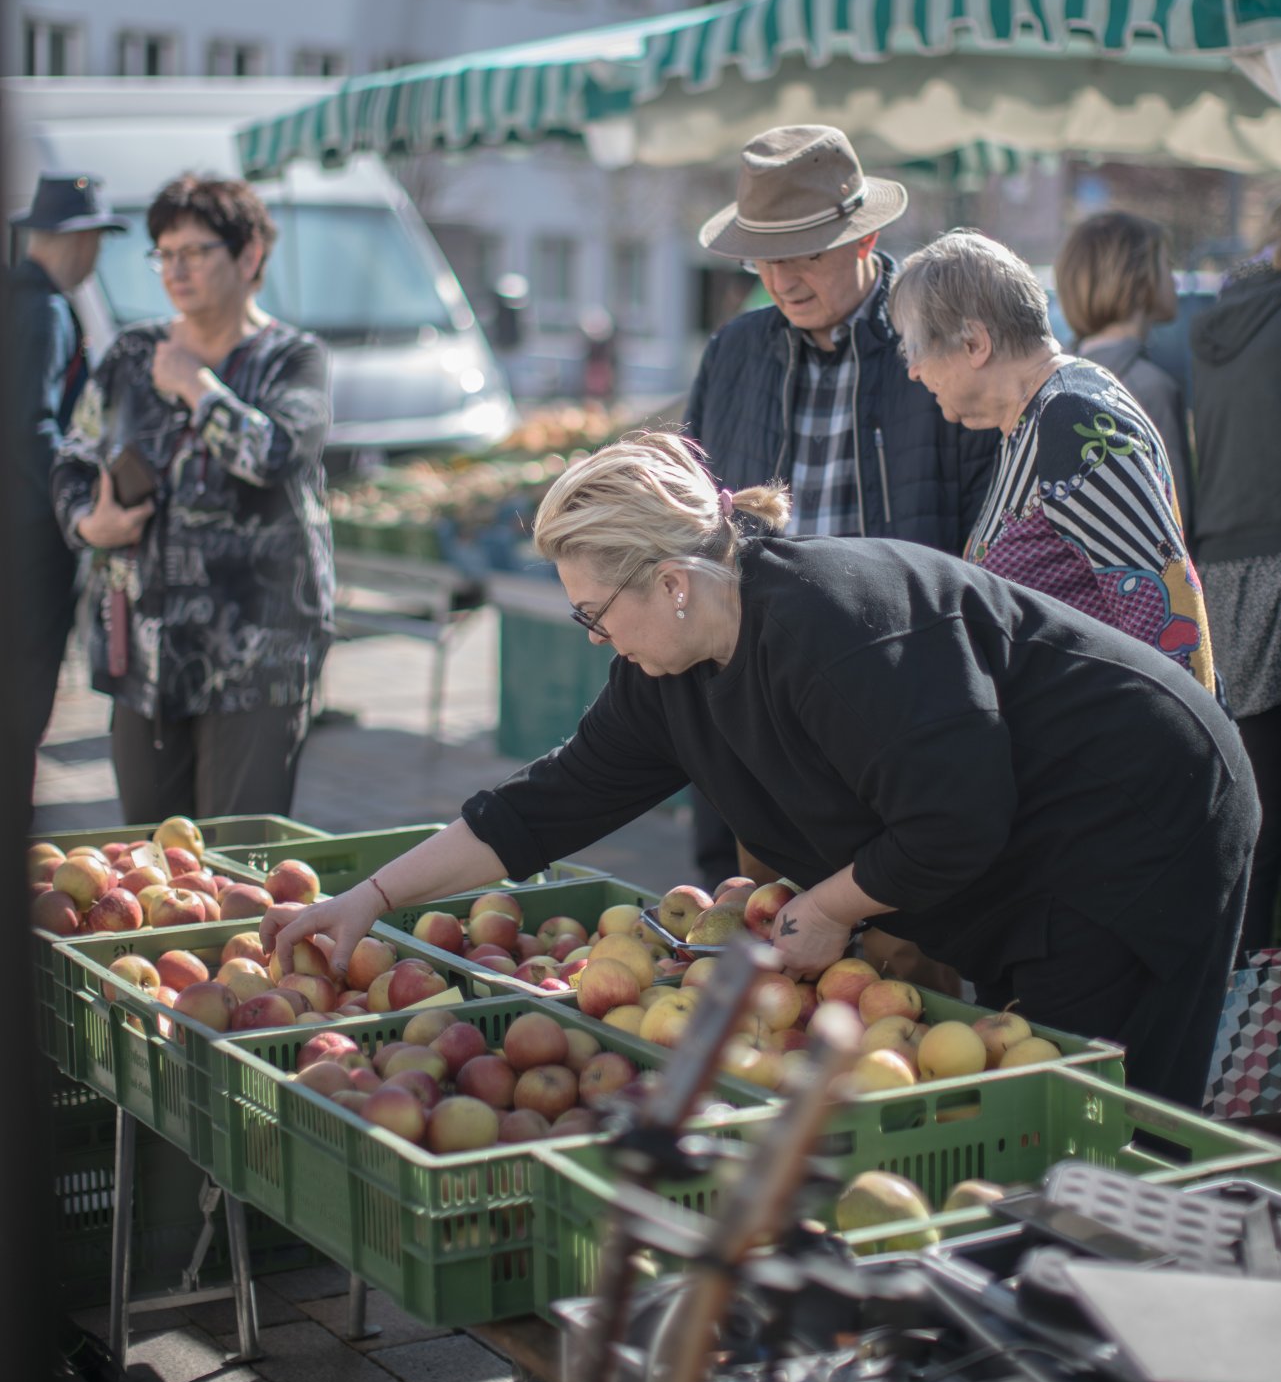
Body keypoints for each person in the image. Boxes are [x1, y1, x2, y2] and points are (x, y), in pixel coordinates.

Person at [266, 433, 1258, 1108]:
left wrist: (830, 904)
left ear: (673, 582)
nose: (594, 640)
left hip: (1137, 809)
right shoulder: (669, 671)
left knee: (1085, 1101)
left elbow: (953, 817)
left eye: (593, 614)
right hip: (1025, 840)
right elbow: (543, 805)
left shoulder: (834, 629)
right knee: (1032, 1082)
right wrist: (372, 900)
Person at [684, 125, 996, 887]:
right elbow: (696, 518)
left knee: (907, 948)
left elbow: (992, 537)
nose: (781, 278)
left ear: (866, 239)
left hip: (900, 701)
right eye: (763, 255)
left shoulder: (940, 349)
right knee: (754, 941)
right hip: (764, 708)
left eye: (805, 253)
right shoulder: (733, 351)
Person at [50, 174, 334, 824]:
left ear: (250, 255)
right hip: (145, 656)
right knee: (151, 867)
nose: (175, 270)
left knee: (237, 865)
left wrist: (196, 387)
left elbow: (277, 456)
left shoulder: (293, 360)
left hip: (259, 659)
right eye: (163, 254)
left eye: (194, 252)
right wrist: (87, 522)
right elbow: (72, 455)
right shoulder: (130, 353)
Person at [889, 229, 1216, 693]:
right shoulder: (1038, 414)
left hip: (1120, 753)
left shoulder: (1071, 416)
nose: (913, 370)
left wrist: (1190, 753)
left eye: (915, 348)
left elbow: (1167, 611)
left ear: (974, 343)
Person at [3, 173, 128, 808]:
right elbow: (31, 425)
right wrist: (76, 503)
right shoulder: (47, 309)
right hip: (29, 545)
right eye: (98, 241)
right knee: (22, 710)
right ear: (79, 242)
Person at [1191, 212, 1281, 952]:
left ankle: (1242, 1020)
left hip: (1224, 570)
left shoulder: (1223, 313)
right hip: (1271, 553)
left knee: (1254, 812)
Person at [1054, 210, 1195, 526]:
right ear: (1140, 277)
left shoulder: (1052, 381)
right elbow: (1176, 518)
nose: (1173, 278)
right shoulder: (1150, 387)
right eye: (1166, 265)